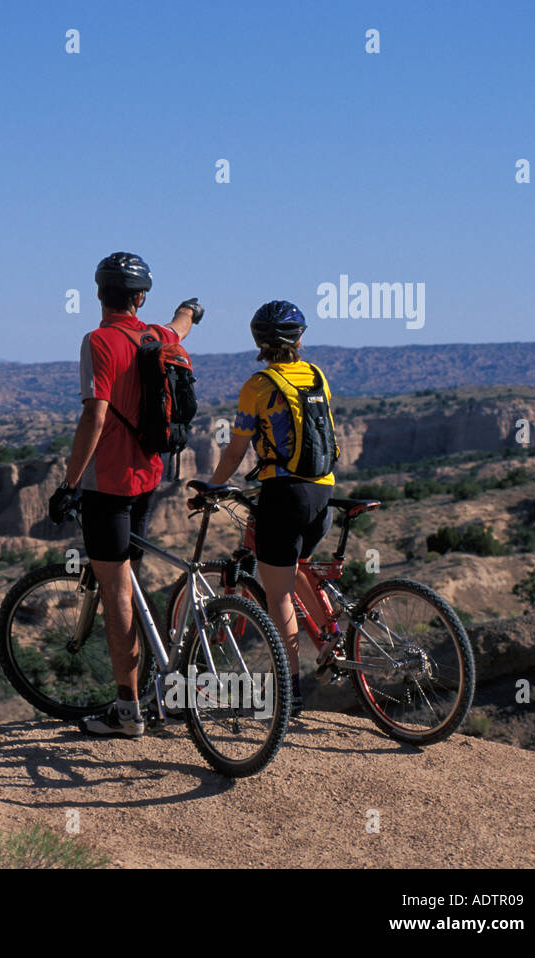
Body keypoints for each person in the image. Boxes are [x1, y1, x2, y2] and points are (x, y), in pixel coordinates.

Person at [48, 252, 202, 738]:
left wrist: (70, 483)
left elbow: (94, 416)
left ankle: (127, 710)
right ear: (140, 298)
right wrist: (190, 311)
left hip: (109, 485)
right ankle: (164, 685)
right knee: (130, 578)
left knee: (116, 591)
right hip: (150, 478)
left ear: (98, 294)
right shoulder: (156, 335)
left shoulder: (99, 341)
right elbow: (182, 326)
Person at [207, 300, 339, 718]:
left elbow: (236, 450)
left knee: (277, 592)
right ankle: (334, 639)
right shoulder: (316, 374)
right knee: (299, 565)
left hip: (284, 496)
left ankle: (289, 689)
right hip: (323, 493)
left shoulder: (259, 385)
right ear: (300, 338)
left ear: (259, 341)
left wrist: (211, 488)